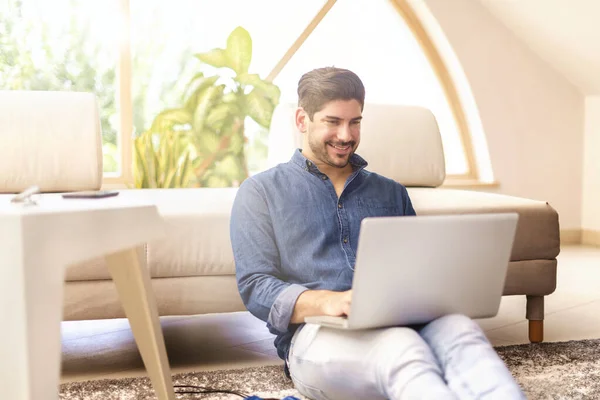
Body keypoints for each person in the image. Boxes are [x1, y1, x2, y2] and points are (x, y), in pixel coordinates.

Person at [230, 67, 524, 400]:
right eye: (332, 121)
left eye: (355, 122)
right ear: (302, 120)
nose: (346, 135)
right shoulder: (260, 192)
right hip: (314, 335)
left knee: (462, 332)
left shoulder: (391, 193)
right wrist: (331, 301)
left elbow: (418, 270)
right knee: (404, 351)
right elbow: (255, 286)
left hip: (404, 321)